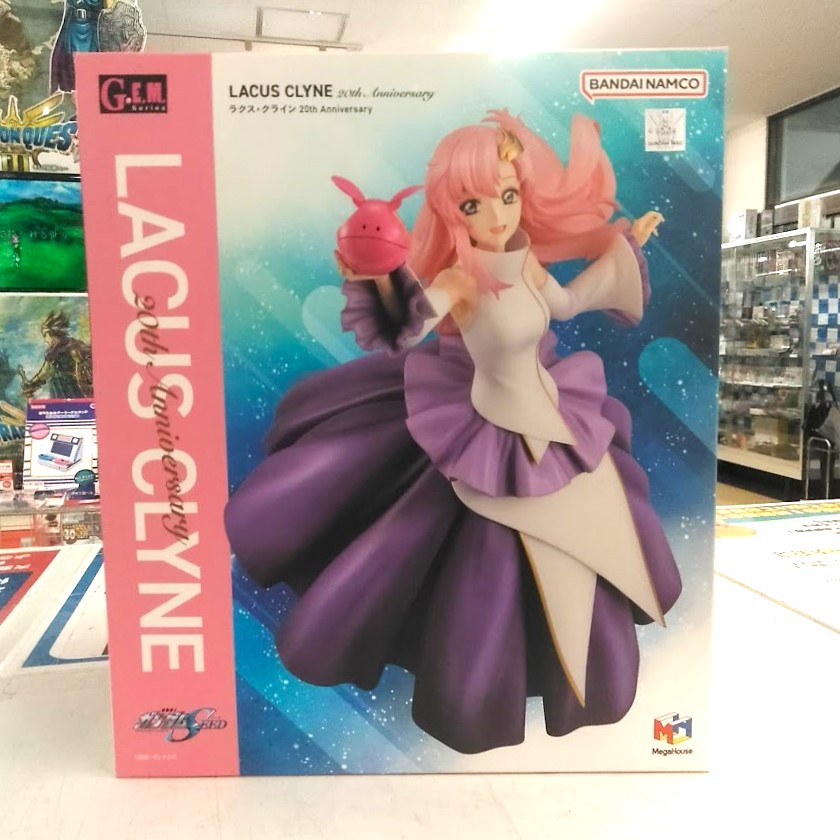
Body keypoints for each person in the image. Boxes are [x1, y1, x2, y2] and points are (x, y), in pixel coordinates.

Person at [224, 109, 682, 755]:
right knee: (482, 564)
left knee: (594, 537)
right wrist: (373, 279)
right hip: (487, 427)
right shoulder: (460, 279)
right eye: (474, 203)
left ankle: (581, 678)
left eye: (508, 195)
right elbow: (408, 327)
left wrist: (623, 248)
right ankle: (476, 693)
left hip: (553, 413)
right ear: (449, 209)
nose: (496, 216)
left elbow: (566, 304)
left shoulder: (525, 262)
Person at [17, 310, 93, 400]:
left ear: (50, 334)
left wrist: (32, 383)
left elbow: (85, 373)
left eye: (45, 336)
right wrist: (32, 384)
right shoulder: (53, 352)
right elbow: (44, 373)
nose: (45, 340)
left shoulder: (73, 349)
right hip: (59, 390)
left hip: (70, 390)